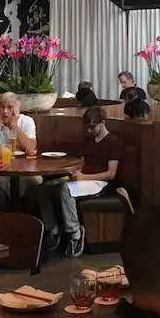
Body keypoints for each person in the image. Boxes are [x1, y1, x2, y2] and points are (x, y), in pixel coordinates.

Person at [36, 106, 123, 258]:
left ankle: (75, 231)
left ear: (103, 123)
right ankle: (53, 227)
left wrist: (84, 177)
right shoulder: (88, 141)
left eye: (92, 127)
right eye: (87, 127)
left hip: (99, 183)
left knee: (64, 189)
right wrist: (76, 173)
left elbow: (111, 174)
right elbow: (82, 163)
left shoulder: (114, 142)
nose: (89, 130)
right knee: (42, 188)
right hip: (84, 179)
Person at [0, 92, 39, 209]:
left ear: (17, 108)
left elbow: (31, 150)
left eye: (10, 107)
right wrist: (18, 147)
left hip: (25, 171)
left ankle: (23, 218)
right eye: (2, 107)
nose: (5, 111)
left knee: (36, 183)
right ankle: (5, 219)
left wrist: (14, 126)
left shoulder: (27, 121)